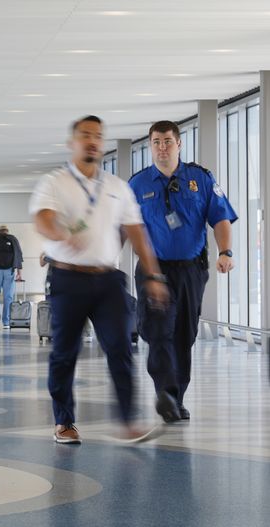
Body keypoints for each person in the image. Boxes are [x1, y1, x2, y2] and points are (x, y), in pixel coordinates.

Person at [28, 115, 170, 444]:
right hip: (67, 279)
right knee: (64, 352)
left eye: (98, 136)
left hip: (109, 281)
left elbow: (136, 233)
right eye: (85, 135)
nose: (92, 141)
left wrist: (154, 275)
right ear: (72, 143)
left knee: (121, 348)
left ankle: (128, 421)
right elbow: (43, 220)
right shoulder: (54, 182)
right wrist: (61, 232)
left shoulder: (117, 187)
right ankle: (64, 422)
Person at [129, 120, 237, 423]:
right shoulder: (137, 184)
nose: (162, 148)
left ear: (179, 144)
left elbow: (221, 218)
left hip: (191, 269)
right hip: (153, 268)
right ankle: (165, 391)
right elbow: (124, 227)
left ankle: (176, 398)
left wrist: (225, 252)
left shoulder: (200, 179)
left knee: (183, 335)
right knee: (158, 330)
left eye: (167, 141)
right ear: (150, 146)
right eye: (156, 142)